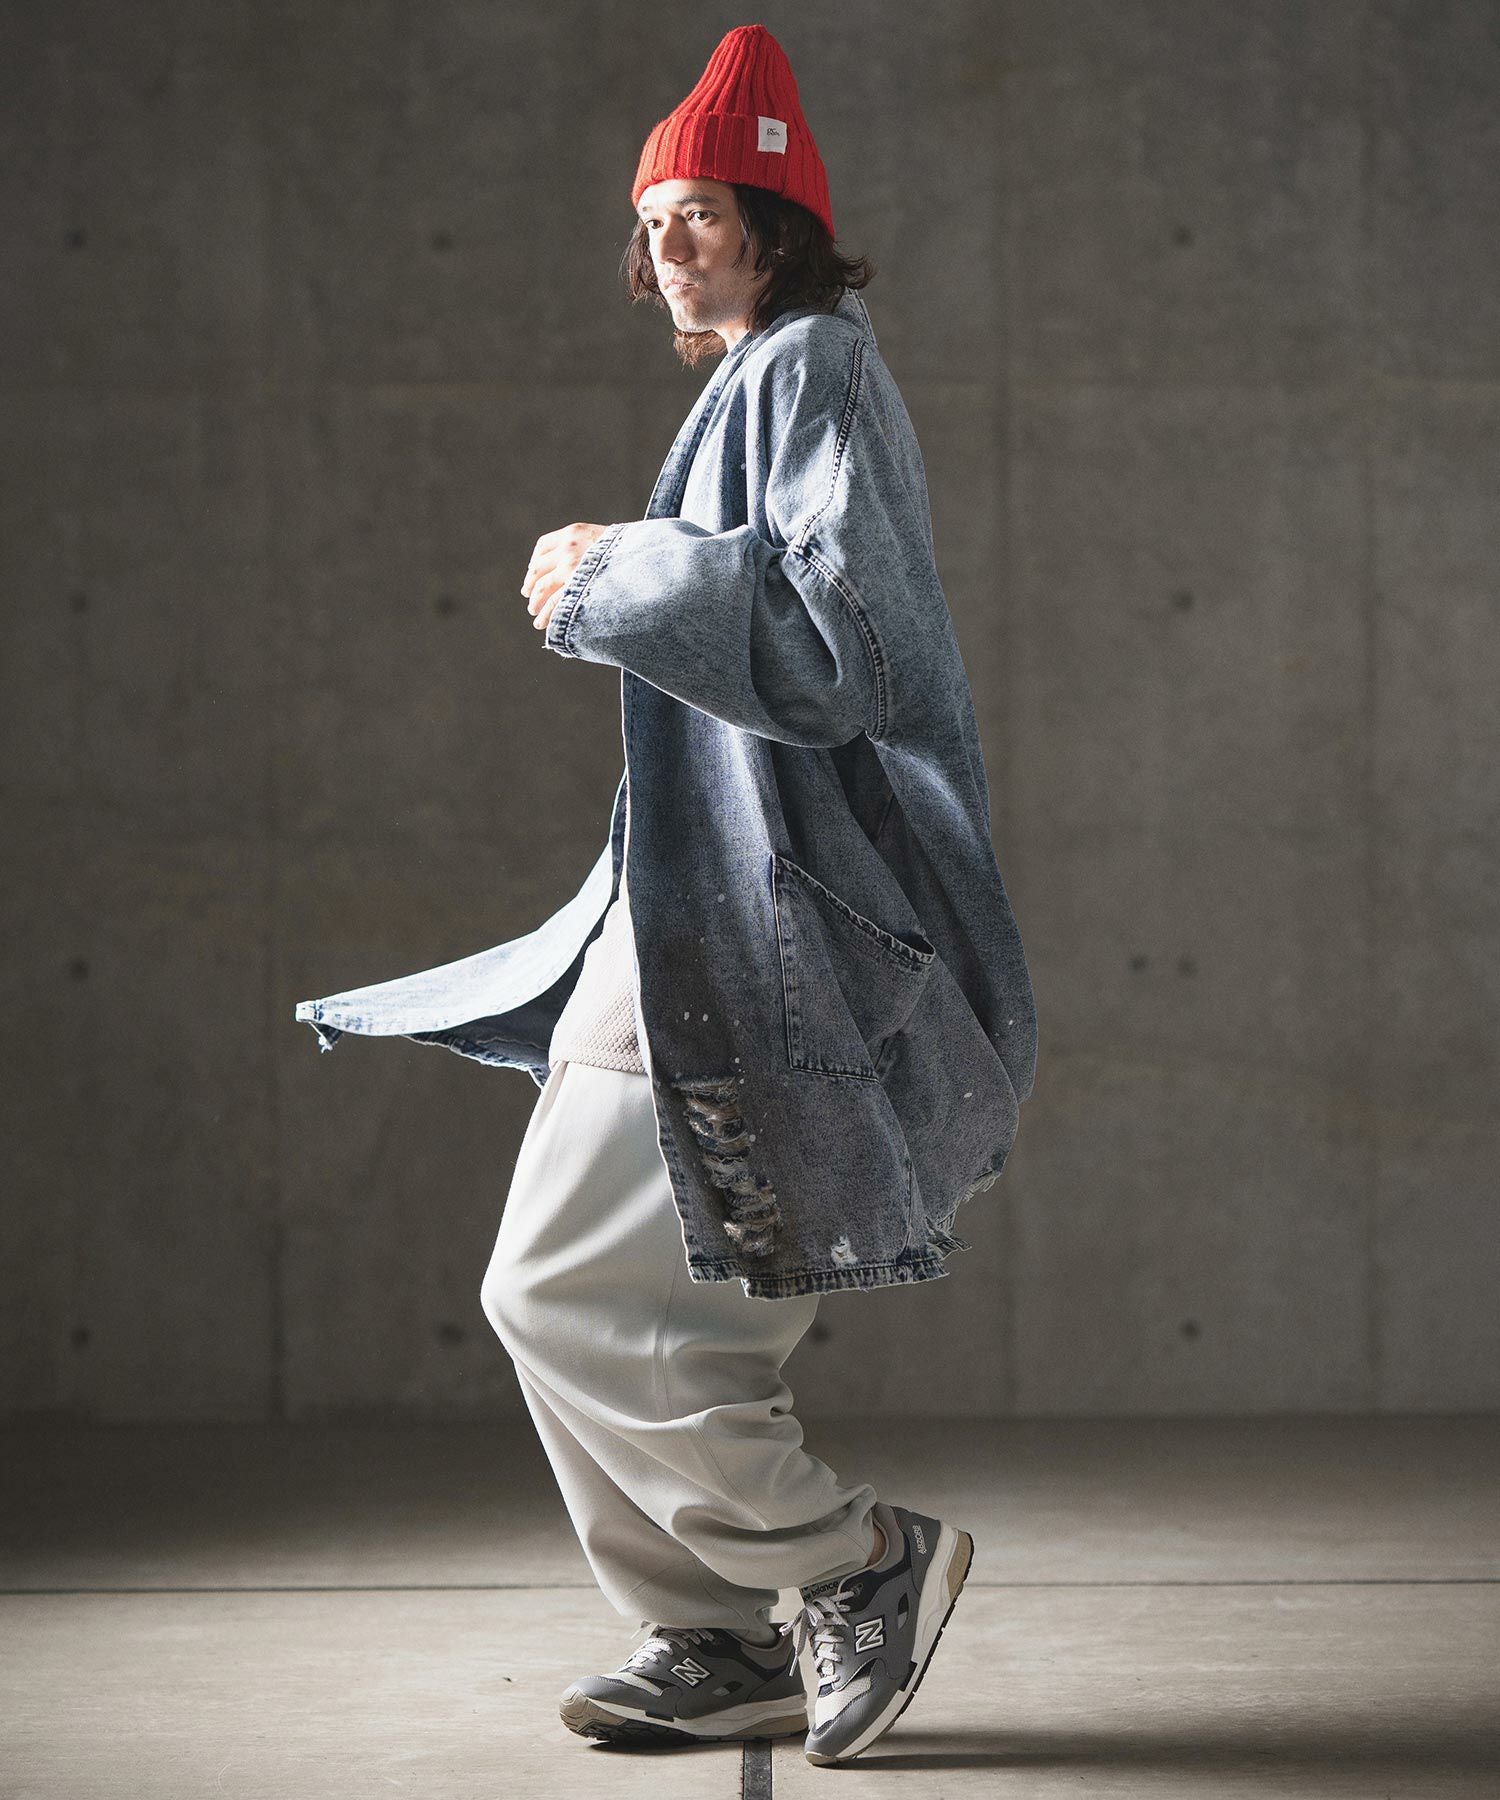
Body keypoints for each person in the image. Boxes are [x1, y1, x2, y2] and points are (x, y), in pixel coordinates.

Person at [294, 22, 1035, 1767]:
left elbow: (842, 648)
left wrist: (611, 573)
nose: (672, 242)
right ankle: (715, 1633)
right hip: (712, 904)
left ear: (782, 225)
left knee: (569, 1286)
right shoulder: (761, 377)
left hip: (769, 913)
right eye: (654, 217)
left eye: (705, 208)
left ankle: (847, 1561)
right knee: (631, 1299)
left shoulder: (810, 367)